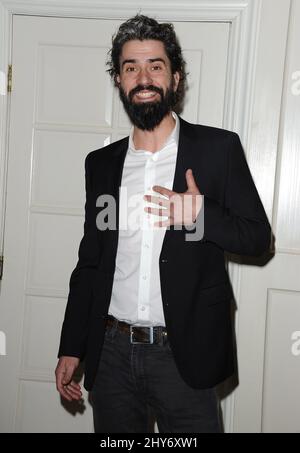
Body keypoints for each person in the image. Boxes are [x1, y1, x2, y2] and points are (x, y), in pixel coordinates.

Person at [55, 14, 271, 433]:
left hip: (183, 354)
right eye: (130, 67)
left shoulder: (217, 150)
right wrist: (71, 347)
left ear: (175, 77)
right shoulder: (101, 165)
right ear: (118, 80)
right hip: (112, 352)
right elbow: (90, 263)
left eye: (155, 65)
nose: (143, 77)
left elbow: (258, 238)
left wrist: (200, 216)